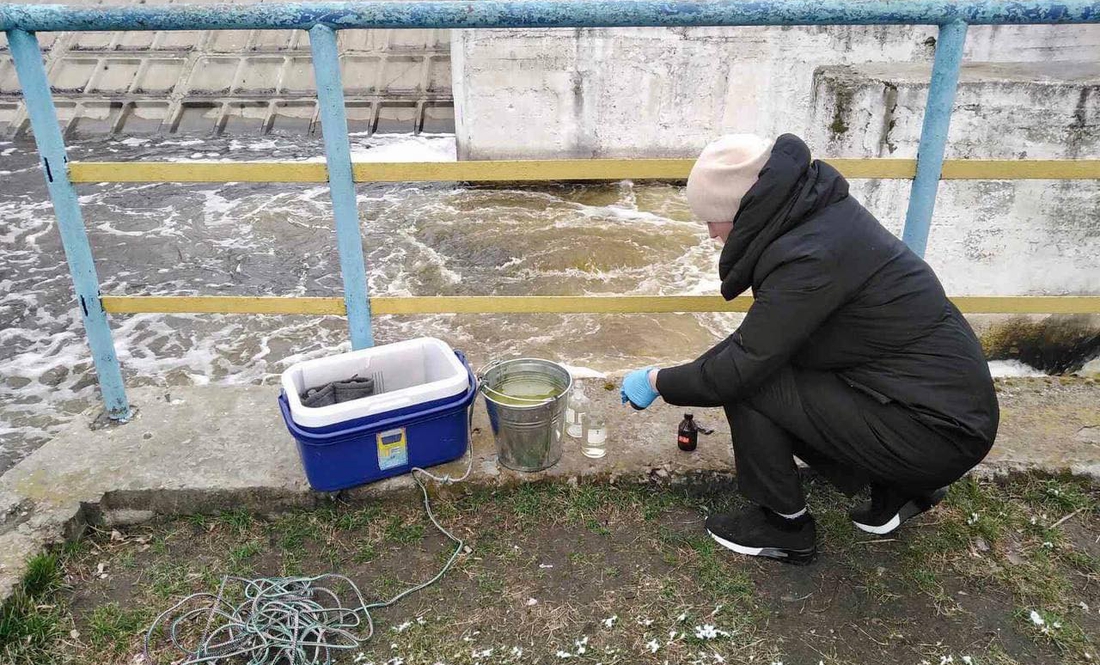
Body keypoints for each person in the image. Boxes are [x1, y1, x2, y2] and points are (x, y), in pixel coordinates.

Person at [620, 134, 999, 565]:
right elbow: (762, 341)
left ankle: (785, 526)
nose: (711, 235)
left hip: (936, 433)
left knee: (751, 387)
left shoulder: (809, 257)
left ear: (741, 210)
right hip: (940, 408)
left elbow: (742, 369)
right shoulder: (818, 217)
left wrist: (657, 381)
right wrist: (679, 372)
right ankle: (899, 490)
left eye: (712, 220)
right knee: (767, 369)